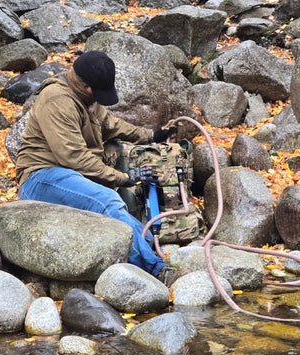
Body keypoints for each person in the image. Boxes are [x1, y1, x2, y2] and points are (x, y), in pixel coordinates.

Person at [16, 50, 181, 286]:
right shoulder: (57, 99)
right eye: (98, 93)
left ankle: (149, 252)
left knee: (114, 209)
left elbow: (112, 126)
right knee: (105, 200)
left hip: (69, 175)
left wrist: (151, 135)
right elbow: (74, 157)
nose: (99, 98)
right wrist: (123, 178)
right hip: (40, 178)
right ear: (86, 86)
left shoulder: (86, 99)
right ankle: (157, 271)